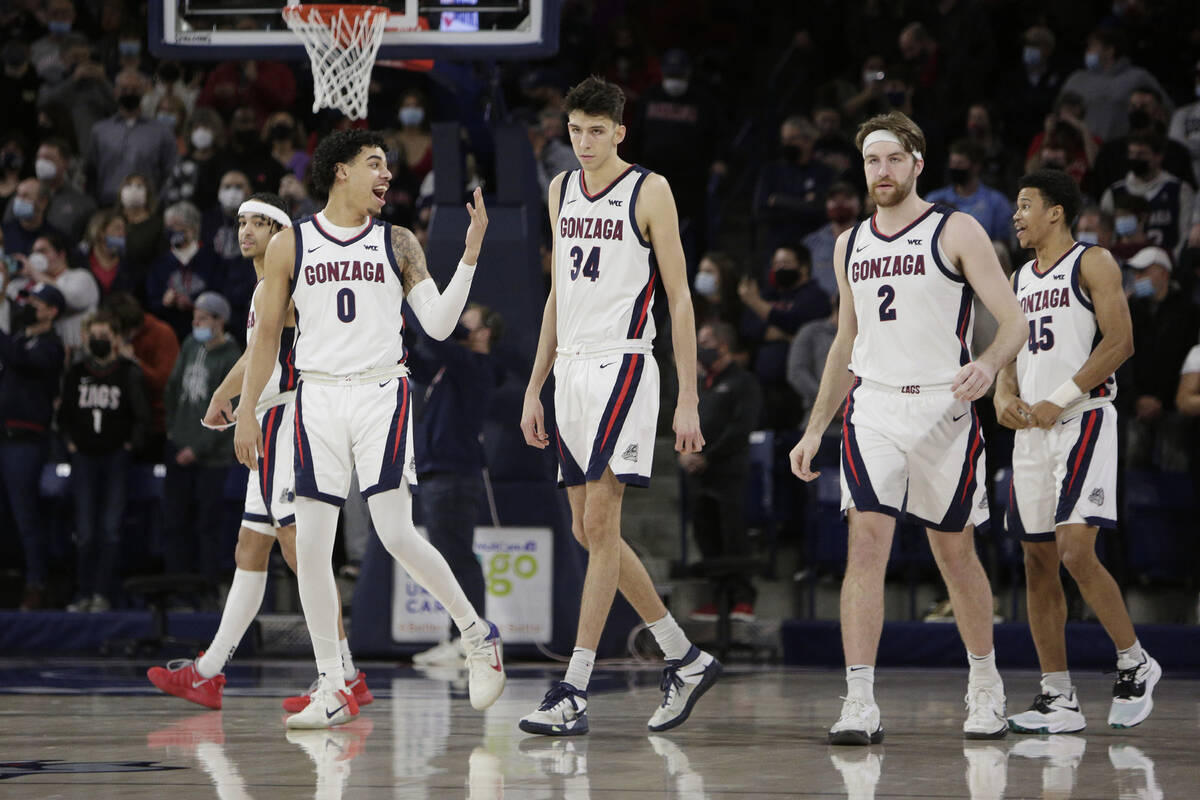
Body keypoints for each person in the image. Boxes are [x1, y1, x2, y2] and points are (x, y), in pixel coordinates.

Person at [233, 129, 505, 729]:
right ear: (341, 172)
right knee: (312, 547)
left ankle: (477, 634)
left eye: (388, 166)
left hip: (382, 390)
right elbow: (266, 338)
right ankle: (333, 685)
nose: (388, 175)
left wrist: (470, 253)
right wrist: (248, 409)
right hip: (317, 396)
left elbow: (436, 326)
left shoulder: (399, 241)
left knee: (395, 531)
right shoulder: (291, 245)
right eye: (375, 164)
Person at [788, 111, 1027, 744]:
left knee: (955, 552)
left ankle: (984, 685)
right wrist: (817, 427)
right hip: (873, 410)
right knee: (865, 546)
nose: (882, 171)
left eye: (894, 158)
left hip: (942, 406)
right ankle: (859, 700)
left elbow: (1015, 322)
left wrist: (989, 364)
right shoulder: (850, 244)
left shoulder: (957, 230)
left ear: (918, 163)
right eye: (872, 160)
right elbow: (846, 339)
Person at [518, 75, 717, 737]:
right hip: (570, 369)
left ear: (620, 131)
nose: (584, 142)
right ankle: (683, 657)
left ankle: (573, 688)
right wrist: (534, 383)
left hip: (625, 362)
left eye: (596, 131)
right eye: (575, 130)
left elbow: (681, 298)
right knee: (587, 533)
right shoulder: (559, 190)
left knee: (601, 523)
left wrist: (687, 397)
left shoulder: (649, 190)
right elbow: (557, 294)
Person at [147, 194, 369, 714]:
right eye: (243, 222)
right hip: (269, 418)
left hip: (291, 418)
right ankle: (208, 672)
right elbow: (255, 353)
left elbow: (278, 349)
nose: (246, 230)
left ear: (282, 232)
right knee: (251, 549)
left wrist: (244, 407)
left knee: (300, 552)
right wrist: (224, 396)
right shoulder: (263, 287)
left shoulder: (287, 283)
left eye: (260, 223)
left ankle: (342, 675)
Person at [997, 168, 1162, 733]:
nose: (1016, 216)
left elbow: (1121, 341)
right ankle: (1057, 697)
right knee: (1037, 561)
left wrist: (1062, 397)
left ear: (1055, 212)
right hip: (1031, 431)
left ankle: (1135, 660)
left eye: (1025, 205)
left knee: (1074, 550)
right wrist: (1002, 394)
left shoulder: (1092, 262)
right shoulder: (1018, 278)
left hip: (1083, 419)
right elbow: (1010, 353)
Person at [408, 303, 505, 666]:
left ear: (483, 334)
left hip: (454, 476)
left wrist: (409, 296)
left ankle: (469, 638)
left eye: (467, 323)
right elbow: (416, 356)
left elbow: (435, 337)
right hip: (440, 474)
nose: (459, 326)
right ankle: (462, 636)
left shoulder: (476, 367)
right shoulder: (451, 367)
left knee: (457, 559)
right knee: (451, 558)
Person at [58, 310, 149, 612]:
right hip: (84, 458)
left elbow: (142, 416)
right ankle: (83, 593)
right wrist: (70, 443)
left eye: (103, 336)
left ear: (115, 338)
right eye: (93, 336)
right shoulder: (76, 372)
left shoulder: (128, 371)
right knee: (84, 532)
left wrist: (129, 445)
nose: (98, 341)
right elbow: (64, 414)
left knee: (110, 529)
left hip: (115, 460)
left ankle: (103, 594)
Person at [684, 321, 762, 622]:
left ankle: (743, 599)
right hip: (699, 477)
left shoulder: (743, 383)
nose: (699, 348)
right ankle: (718, 598)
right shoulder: (704, 385)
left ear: (722, 346)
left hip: (730, 474)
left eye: (704, 341)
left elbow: (740, 428)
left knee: (733, 537)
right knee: (707, 537)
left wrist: (709, 456)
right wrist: (685, 453)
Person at [163, 291, 242, 585]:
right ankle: (176, 586)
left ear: (220, 321)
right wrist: (173, 432)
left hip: (212, 458)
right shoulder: (189, 344)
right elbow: (172, 389)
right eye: (195, 317)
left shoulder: (233, 357)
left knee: (208, 525)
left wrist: (197, 448)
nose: (196, 323)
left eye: (203, 318)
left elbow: (230, 412)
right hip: (178, 445)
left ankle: (207, 588)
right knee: (174, 522)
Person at [0, 283, 66, 610]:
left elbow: (18, 359)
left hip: (26, 441)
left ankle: (36, 584)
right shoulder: (17, 339)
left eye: (36, 304)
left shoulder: (51, 346)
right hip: (4, 435)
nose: (29, 307)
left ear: (52, 311)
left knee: (27, 517)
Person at [85, 69, 177, 206]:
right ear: (116, 92)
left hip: (146, 207)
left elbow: (171, 172)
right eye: (124, 89)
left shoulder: (161, 132)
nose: (129, 93)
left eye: (134, 89)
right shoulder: (100, 130)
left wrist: (157, 202)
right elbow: (90, 171)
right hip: (106, 205)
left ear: (143, 92)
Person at [1099, 132, 1195, 258]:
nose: (1135, 159)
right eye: (1132, 154)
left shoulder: (1179, 190)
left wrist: (1170, 262)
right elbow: (1105, 236)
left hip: (1166, 264)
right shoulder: (1113, 192)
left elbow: (1186, 235)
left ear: (1158, 157)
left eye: (1142, 154)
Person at [926, 139, 1014, 246]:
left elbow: (1005, 242)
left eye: (960, 163)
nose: (955, 168)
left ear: (976, 167)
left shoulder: (996, 201)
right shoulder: (933, 199)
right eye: (952, 163)